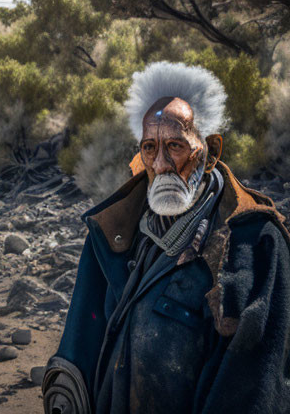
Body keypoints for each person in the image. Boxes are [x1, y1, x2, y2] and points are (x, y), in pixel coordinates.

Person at [42, 61, 290, 414]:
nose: (159, 165)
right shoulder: (119, 231)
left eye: (175, 146)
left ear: (210, 152)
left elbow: (252, 389)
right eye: (149, 148)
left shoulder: (255, 244)